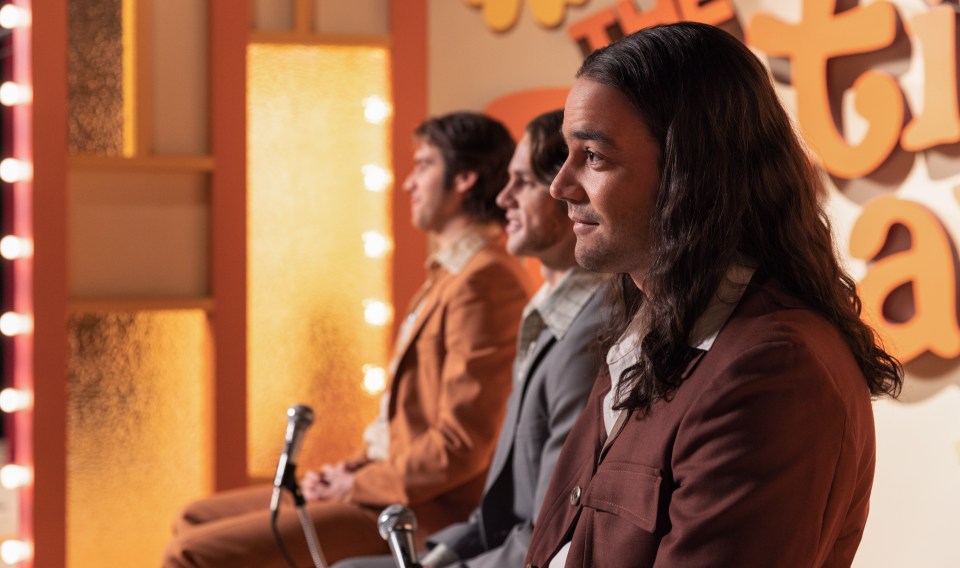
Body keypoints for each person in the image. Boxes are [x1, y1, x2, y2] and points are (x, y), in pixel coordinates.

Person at [523, 22, 903, 568]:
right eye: (567, 153)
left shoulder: (772, 370)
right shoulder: (645, 339)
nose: (561, 185)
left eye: (595, 157)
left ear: (689, 173)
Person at [164, 112, 531, 567]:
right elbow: (401, 427)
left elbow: (461, 444)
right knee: (194, 516)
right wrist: (352, 468)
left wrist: (356, 485)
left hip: (420, 509)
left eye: (423, 165)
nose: (408, 183)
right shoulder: (450, 274)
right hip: (380, 484)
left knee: (189, 555)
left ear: (465, 178)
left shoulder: (486, 280)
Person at [335, 110, 606, 568]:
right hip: (473, 530)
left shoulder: (498, 287)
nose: (504, 198)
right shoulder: (542, 311)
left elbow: (544, 524)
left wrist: (360, 484)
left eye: (523, 182)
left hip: (435, 509)